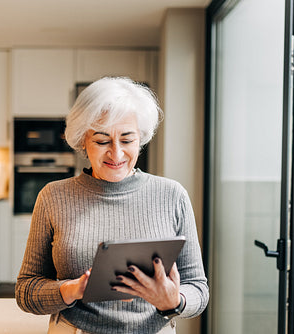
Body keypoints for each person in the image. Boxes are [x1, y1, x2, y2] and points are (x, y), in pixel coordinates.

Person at [16, 77, 209, 334]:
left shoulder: (172, 195)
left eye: (127, 140)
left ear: (140, 139)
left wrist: (175, 301)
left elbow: (198, 288)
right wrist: (71, 290)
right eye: (102, 141)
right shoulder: (53, 197)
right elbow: (26, 290)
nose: (116, 154)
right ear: (83, 139)